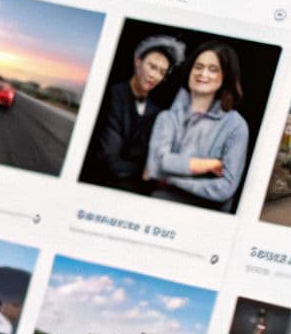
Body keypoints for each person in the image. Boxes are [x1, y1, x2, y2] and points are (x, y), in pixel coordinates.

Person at [144, 42, 251, 210]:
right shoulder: (166, 118)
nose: (203, 73)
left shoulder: (236, 126)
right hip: (160, 206)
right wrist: (209, 165)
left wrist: (172, 179)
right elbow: (155, 167)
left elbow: (225, 188)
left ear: (225, 76)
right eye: (198, 67)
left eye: (213, 69)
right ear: (190, 71)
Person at [89, 35, 182, 189]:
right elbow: (107, 159)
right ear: (138, 62)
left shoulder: (158, 113)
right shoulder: (112, 95)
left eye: (161, 72)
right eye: (152, 67)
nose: (155, 75)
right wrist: (147, 171)